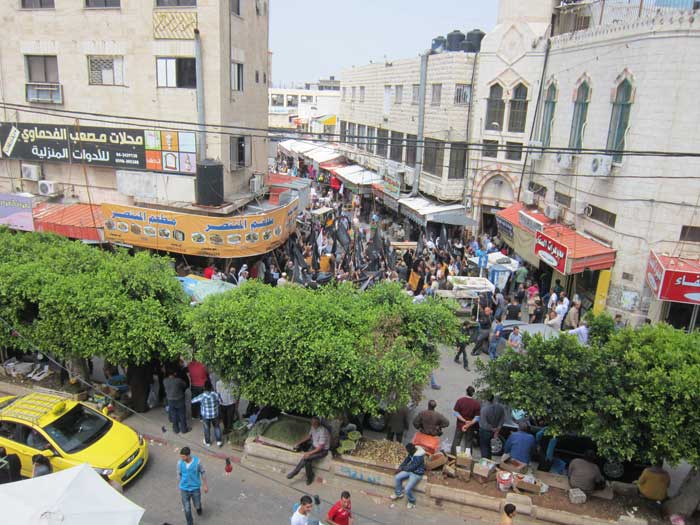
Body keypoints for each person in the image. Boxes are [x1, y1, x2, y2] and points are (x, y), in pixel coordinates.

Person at [287, 416, 330, 485]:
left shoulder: (323, 431)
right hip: (314, 447)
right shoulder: (313, 427)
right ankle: (310, 477)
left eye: (313, 423)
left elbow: (320, 447)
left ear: (317, 423)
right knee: (307, 460)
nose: (312, 424)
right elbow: (309, 436)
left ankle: (295, 472)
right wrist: (299, 442)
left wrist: (309, 453)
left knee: (306, 458)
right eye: (311, 422)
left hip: (322, 451)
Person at [177, 447, 208, 525]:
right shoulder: (180, 463)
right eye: (181, 456)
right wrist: (180, 483)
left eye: (183, 457)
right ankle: (190, 523)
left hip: (195, 489)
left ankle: (199, 508)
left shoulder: (197, 462)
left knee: (197, 504)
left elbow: (203, 472)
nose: (182, 458)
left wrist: (205, 485)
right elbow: (179, 474)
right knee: (187, 509)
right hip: (184, 489)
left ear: (188, 456)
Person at [390, 443, 425, 509]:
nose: (408, 453)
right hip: (411, 471)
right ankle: (398, 493)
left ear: (413, 450)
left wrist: (402, 469)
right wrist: (400, 467)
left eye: (409, 451)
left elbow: (413, 467)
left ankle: (412, 501)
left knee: (407, 489)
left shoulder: (419, 456)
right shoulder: (412, 452)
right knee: (397, 477)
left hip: (417, 474)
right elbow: (406, 460)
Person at [191, 381, 223, 447]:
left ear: (204, 387)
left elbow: (193, 401)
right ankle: (219, 441)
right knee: (217, 427)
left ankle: (208, 442)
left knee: (206, 429)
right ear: (211, 387)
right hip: (215, 414)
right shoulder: (215, 394)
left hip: (205, 416)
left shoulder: (202, 396)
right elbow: (220, 401)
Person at [450, 386, 480, 455]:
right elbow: (477, 417)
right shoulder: (476, 403)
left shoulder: (460, 400)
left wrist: (464, 420)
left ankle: (453, 456)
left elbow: (456, 413)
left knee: (457, 440)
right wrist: (469, 423)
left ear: (466, 392)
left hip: (460, 425)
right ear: (473, 393)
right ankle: (467, 458)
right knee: (468, 442)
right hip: (470, 426)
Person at [478, 393, 505, 460]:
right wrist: (497, 429)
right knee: (489, 447)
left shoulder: (484, 409)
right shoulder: (500, 408)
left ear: (486, 399)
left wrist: (492, 429)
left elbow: (484, 423)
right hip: (494, 430)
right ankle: (489, 460)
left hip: (485, 431)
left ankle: (484, 462)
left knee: (484, 447)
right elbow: (502, 419)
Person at [164, 367, 189, 434]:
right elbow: (185, 385)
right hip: (179, 399)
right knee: (182, 414)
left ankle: (176, 429)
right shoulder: (178, 380)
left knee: (173, 415)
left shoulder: (165, 381)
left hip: (170, 400)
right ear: (174, 373)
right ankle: (184, 429)